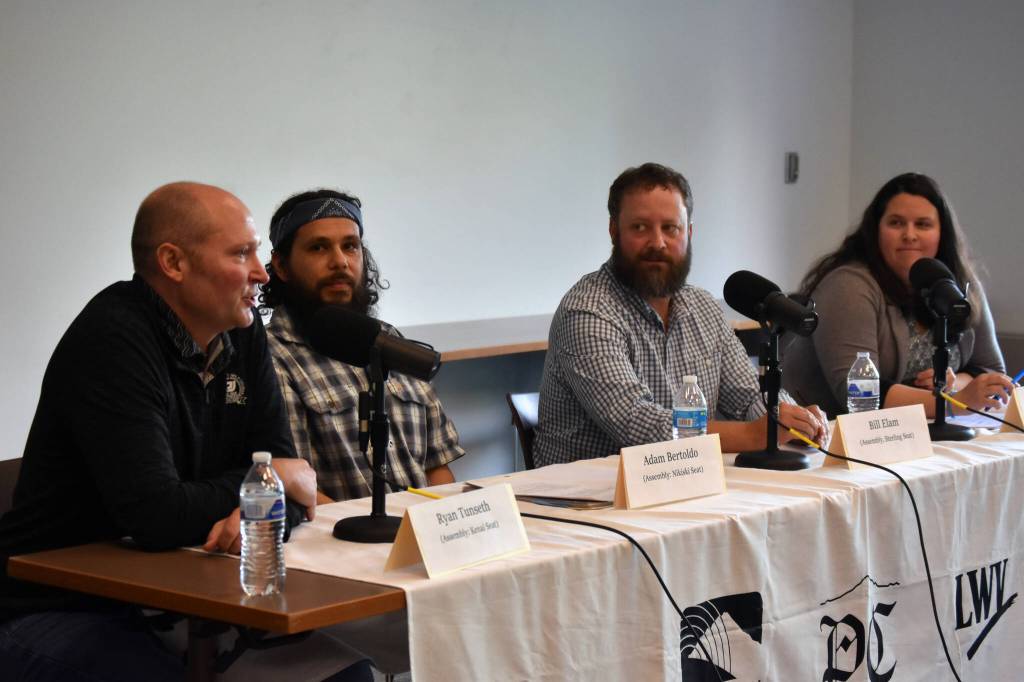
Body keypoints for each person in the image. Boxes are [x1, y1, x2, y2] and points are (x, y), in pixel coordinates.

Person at [0, 183, 370, 681]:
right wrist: (265, 484)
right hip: (62, 603)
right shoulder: (113, 339)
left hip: (190, 598)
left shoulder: (242, 331)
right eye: (242, 253)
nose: (262, 272)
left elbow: (283, 485)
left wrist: (265, 498)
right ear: (173, 263)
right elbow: (159, 514)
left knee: (346, 675)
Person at [533, 162, 829, 467]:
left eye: (670, 228)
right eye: (640, 227)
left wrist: (791, 419)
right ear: (613, 231)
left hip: (683, 483)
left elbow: (748, 397)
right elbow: (637, 424)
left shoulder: (703, 307)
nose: (657, 243)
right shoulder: (587, 311)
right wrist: (756, 435)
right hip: (587, 501)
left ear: (688, 233)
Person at [261, 189, 464, 502]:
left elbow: (437, 465)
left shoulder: (389, 339)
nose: (340, 262)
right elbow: (297, 490)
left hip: (421, 535)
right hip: (343, 542)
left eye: (350, 246)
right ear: (282, 267)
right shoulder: (271, 357)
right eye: (318, 247)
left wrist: (448, 526)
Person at [783, 172, 1011, 418]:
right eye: (896, 223)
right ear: (876, 230)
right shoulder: (847, 285)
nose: (909, 235)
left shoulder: (961, 284)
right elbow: (858, 393)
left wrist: (954, 385)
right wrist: (952, 402)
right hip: (827, 438)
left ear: (942, 233)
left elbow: (993, 372)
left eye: (923, 224)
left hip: (921, 433)